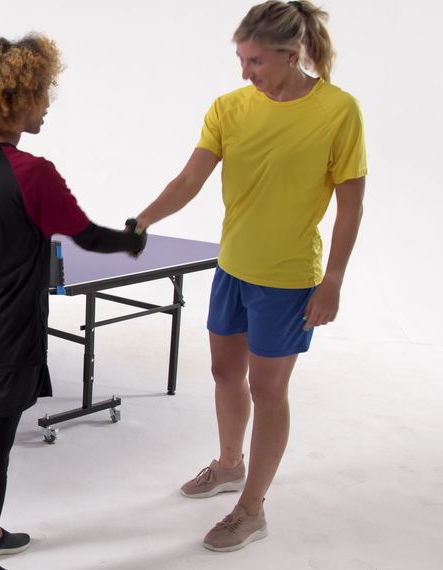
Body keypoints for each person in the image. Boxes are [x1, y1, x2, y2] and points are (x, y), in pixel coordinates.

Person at [134, 0, 367, 552]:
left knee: (268, 390)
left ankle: (252, 508)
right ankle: (229, 464)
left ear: (291, 55)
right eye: (241, 59)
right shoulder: (229, 108)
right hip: (232, 268)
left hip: (288, 279)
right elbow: (191, 177)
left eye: (256, 61)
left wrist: (332, 280)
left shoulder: (339, 111)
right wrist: (141, 220)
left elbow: (351, 207)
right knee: (222, 373)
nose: (246, 71)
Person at [0, 34, 146, 570]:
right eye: (42, 92)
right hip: (8, 340)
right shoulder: (33, 174)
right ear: (16, 97)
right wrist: (131, 239)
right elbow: (88, 235)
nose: (48, 103)